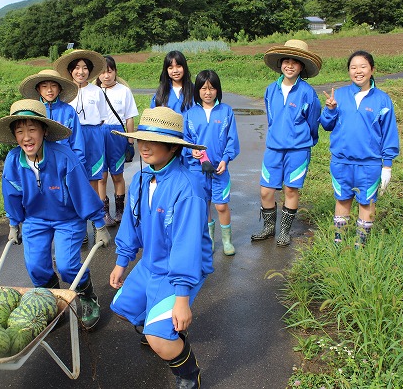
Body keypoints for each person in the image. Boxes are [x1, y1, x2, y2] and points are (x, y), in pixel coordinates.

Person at [109, 107, 213, 389]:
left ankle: (189, 374)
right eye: (141, 139)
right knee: (122, 305)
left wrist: (182, 298)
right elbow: (131, 223)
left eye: (152, 140)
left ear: (173, 146)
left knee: (158, 339)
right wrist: (122, 260)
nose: (144, 146)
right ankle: (166, 329)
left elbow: (187, 247)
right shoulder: (142, 179)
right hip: (151, 263)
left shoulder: (187, 187)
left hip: (182, 268)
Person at [0, 99, 111, 329]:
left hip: (68, 218)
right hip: (35, 219)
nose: (26, 137)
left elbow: (83, 192)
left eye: (32, 129)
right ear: (14, 135)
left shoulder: (64, 157)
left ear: (44, 130)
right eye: (20, 131)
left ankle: (87, 296)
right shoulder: (14, 160)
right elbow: (11, 194)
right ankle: (52, 297)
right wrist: (14, 224)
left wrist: (99, 223)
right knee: (35, 266)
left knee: (67, 266)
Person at [320, 50, 399, 246]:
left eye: (363, 67)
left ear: (372, 70)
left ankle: (360, 244)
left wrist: (387, 165)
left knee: (367, 202)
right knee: (342, 199)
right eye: (353, 67)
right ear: (348, 71)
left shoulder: (382, 99)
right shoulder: (339, 94)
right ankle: (339, 241)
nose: (358, 71)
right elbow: (326, 125)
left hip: (369, 164)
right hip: (341, 161)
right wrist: (330, 110)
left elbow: (389, 133)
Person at [251, 40, 322, 247]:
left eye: (295, 62)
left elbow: (313, 121)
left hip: (298, 150)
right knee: (266, 190)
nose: (290, 65)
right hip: (273, 148)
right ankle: (268, 227)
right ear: (280, 63)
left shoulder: (308, 92)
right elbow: (272, 118)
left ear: (302, 67)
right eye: (286, 61)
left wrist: (305, 140)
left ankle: (284, 230)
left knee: (291, 190)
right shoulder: (270, 90)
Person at [54, 49, 108, 246]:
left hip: (93, 136)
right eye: (76, 68)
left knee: (93, 181)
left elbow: (101, 117)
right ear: (70, 71)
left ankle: (97, 223)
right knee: (72, 182)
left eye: (85, 68)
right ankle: (80, 228)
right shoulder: (63, 94)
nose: (81, 72)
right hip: (70, 138)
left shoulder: (97, 91)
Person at [184, 70, 240, 256]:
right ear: (197, 90)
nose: (208, 92)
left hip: (219, 169)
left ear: (218, 90)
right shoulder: (190, 114)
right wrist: (191, 151)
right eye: (203, 88)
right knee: (204, 204)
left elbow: (232, 140)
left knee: (221, 205)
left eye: (212, 88)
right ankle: (209, 241)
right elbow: (184, 141)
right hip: (196, 170)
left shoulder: (226, 111)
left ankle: (227, 240)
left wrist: (225, 160)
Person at [95, 55, 139, 226]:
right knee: (101, 176)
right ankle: (103, 212)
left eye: (109, 71)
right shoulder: (95, 92)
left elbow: (129, 118)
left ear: (115, 72)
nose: (106, 76)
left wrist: (130, 140)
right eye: (102, 72)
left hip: (117, 134)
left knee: (117, 174)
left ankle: (120, 211)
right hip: (99, 134)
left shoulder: (124, 91)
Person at [18, 69, 85, 166]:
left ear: (60, 89)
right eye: (44, 86)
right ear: (38, 89)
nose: (49, 90)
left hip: (65, 161)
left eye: (53, 86)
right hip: (39, 162)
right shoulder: (32, 111)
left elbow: (77, 140)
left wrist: (79, 163)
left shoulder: (68, 111)